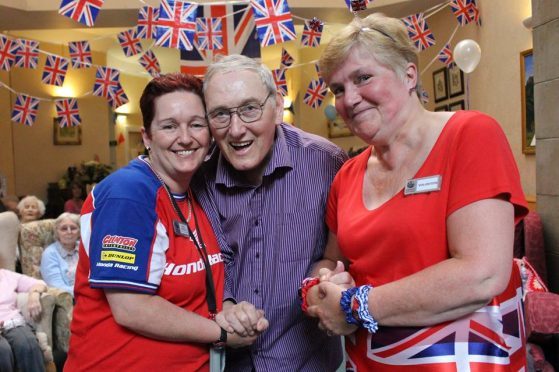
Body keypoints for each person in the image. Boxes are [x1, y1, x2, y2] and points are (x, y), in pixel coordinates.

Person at [304, 13, 529, 370]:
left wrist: (353, 306)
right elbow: (332, 260)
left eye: (363, 78)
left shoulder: (470, 135)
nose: (349, 99)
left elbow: (481, 274)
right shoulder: (346, 175)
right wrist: (324, 283)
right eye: (338, 89)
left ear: (409, 75)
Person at [65, 73, 265, 371]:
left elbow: (204, 287)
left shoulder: (196, 192)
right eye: (169, 126)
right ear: (147, 136)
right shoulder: (128, 193)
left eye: (196, 124)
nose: (185, 138)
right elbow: (131, 308)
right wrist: (223, 333)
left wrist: (233, 312)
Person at [194, 54, 347, 371]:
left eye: (250, 109)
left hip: (307, 363)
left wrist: (329, 281)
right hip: (226, 362)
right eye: (220, 114)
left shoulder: (327, 162)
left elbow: (344, 255)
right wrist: (228, 302)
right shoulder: (198, 177)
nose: (236, 130)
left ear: (277, 107)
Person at [0, 268, 47, 371]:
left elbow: (39, 283)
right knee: (2, 351)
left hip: (11, 323)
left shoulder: (7, 275)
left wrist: (34, 294)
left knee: (28, 343)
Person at [40, 213, 80, 296]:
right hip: (72, 298)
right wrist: (84, 293)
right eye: (64, 229)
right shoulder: (50, 253)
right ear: (57, 232)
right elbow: (56, 286)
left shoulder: (85, 247)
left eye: (73, 228)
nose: (69, 232)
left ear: (79, 231)